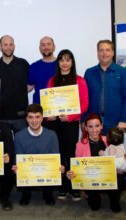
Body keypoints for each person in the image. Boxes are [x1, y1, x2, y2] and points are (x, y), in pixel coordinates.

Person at [45, 49, 88, 201]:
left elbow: (84, 104)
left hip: (70, 124)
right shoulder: (52, 81)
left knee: (70, 153)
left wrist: (70, 117)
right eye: (62, 60)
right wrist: (49, 114)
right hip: (55, 124)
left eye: (67, 60)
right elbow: (48, 103)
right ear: (58, 63)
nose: (64, 63)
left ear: (72, 62)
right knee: (58, 154)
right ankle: (62, 187)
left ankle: (73, 187)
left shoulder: (79, 80)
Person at [70, 113, 126, 212]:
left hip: (109, 177)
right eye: (90, 126)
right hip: (91, 180)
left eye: (97, 126)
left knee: (121, 180)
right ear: (86, 128)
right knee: (94, 207)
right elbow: (78, 167)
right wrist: (81, 187)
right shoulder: (80, 145)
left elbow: (120, 162)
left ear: (101, 126)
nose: (94, 130)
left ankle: (114, 200)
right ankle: (94, 196)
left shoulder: (109, 140)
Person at [13, 104, 61, 206]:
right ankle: (26, 195)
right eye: (30, 117)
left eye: (37, 117)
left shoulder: (52, 135)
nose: (34, 121)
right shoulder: (18, 136)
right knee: (18, 170)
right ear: (26, 119)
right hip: (28, 171)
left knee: (56, 169)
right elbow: (18, 159)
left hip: (45, 171)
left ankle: (47, 195)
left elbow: (55, 158)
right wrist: (17, 167)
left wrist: (58, 167)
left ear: (42, 118)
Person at [83, 40, 126, 134]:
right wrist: (83, 119)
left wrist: (124, 119)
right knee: (95, 149)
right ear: (97, 53)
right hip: (93, 123)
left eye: (108, 50)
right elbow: (84, 98)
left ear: (113, 53)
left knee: (114, 149)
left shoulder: (123, 72)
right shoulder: (89, 73)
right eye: (101, 50)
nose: (104, 53)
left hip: (116, 123)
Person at [0, 35, 29, 133]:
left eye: (11, 44)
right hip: (1, 117)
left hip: (21, 117)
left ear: (14, 46)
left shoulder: (23, 64)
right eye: (5, 45)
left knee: (21, 146)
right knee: (3, 147)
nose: (8, 47)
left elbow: (30, 86)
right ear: (0, 47)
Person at [27, 36, 57, 104]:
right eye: (43, 45)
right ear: (40, 48)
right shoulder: (34, 66)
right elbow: (29, 87)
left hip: (58, 108)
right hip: (38, 110)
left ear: (54, 47)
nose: (46, 47)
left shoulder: (62, 65)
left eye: (48, 44)